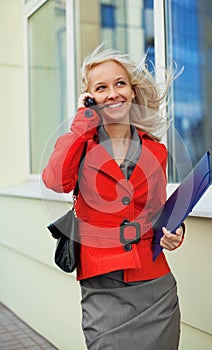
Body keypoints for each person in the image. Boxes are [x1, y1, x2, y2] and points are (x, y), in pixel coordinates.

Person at [42, 44, 185, 350]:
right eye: (101, 87)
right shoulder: (81, 144)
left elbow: (158, 212)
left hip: (154, 285)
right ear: (90, 97)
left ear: (132, 91)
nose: (113, 93)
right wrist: (84, 119)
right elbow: (55, 180)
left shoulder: (156, 151)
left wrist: (177, 232)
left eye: (120, 83)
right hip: (102, 286)